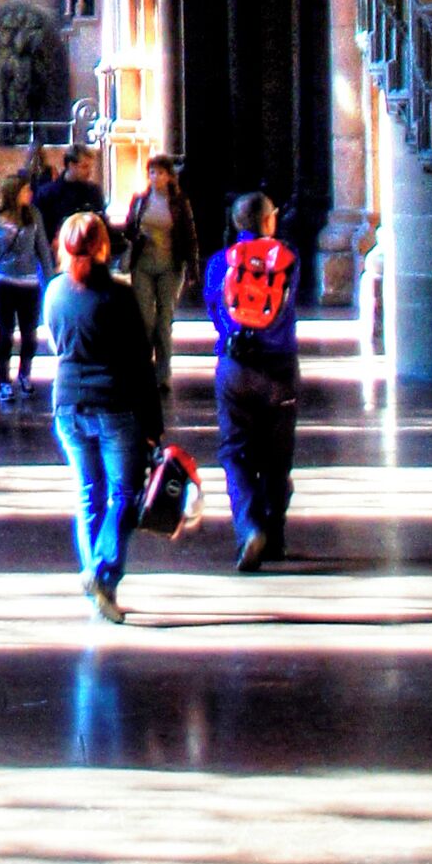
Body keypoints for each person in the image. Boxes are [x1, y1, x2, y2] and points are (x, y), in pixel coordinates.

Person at [41, 210, 162, 620]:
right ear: (102, 247)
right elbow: (142, 362)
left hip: (67, 403)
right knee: (124, 494)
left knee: (89, 494)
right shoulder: (120, 295)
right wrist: (154, 424)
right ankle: (102, 572)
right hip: (115, 404)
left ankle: (99, 587)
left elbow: (55, 342)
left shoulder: (54, 292)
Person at [203, 191, 300, 571]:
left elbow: (215, 307)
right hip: (279, 368)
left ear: (236, 223)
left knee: (235, 452)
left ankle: (248, 527)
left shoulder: (218, 263)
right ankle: (274, 536)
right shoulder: (290, 260)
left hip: (235, 367)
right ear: (269, 221)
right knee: (277, 459)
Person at [120, 152, 200, 399]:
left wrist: (193, 269)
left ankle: (163, 375)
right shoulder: (140, 200)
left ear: (169, 176)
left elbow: (189, 236)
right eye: (152, 172)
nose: (156, 177)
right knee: (144, 320)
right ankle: (143, 370)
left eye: (161, 173)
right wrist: (136, 234)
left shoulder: (179, 203)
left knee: (164, 320)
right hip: (143, 264)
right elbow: (127, 229)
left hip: (170, 265)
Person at [0, 174, 49, 409]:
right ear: (14, 192)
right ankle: (3, 381)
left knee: (30, 334)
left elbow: (43, 251)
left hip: (29, 284)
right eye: (26, 190)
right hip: (2, 282)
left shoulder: (33, 216)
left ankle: (25, 373)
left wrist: (50, 282)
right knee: (6, 333)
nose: (30, 194)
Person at [36, 146, 105, 260]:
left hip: (87, 256)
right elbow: (40, 228)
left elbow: (100, 223)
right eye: (84, 167)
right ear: (71, 165)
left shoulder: (94, 192)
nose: (89, 172)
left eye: (90, 167)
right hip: (57, 255)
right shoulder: (47, 194)